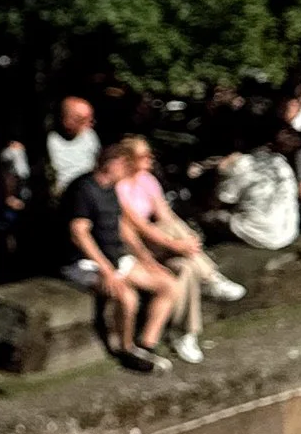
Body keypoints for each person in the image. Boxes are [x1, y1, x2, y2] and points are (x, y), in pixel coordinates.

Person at [116, 137, 242, 368]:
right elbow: (138, 226)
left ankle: (185, 333)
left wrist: (184, 242)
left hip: (162, 241)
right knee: (167, 232)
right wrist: (176, 245)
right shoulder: (120, 187)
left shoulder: (147, 180)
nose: (150, 160)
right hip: (140, 246)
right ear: (129, 159)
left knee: (186, 266)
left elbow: (164, 213)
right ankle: (211, 276)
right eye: (144, 156)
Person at [60, 144, 179, 373]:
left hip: (115, 257)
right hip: (84, 262)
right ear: (112, 163)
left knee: (168, 285)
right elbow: (79, 233)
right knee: (127, 297)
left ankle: (147, 343)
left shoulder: (111, 189)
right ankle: (126, 348)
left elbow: (122, 227)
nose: (129, 170)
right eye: (125, 165)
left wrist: (145, 258)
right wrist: (105, 270)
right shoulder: (83, 189)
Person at [213, 132, 301, 254]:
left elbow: (224, 198)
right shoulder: (278, 162)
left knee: (212, 217)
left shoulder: (240, 165)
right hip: (290, 231)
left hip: (264, 236)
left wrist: (222, 170)